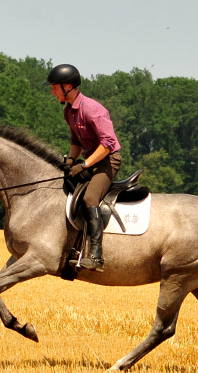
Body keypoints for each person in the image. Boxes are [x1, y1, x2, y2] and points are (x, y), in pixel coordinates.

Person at [44, 64, 122, 273]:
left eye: (54, 87)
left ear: (68, 86)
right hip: (91, 161)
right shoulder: (68, 111)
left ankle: (96, 256)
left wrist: (84, 165)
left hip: (107, 161)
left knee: (89, 198)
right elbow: (75, 141)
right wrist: (71, 160)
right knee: (65, 186)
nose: (52, 91)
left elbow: (107, 145)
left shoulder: (93, 110)